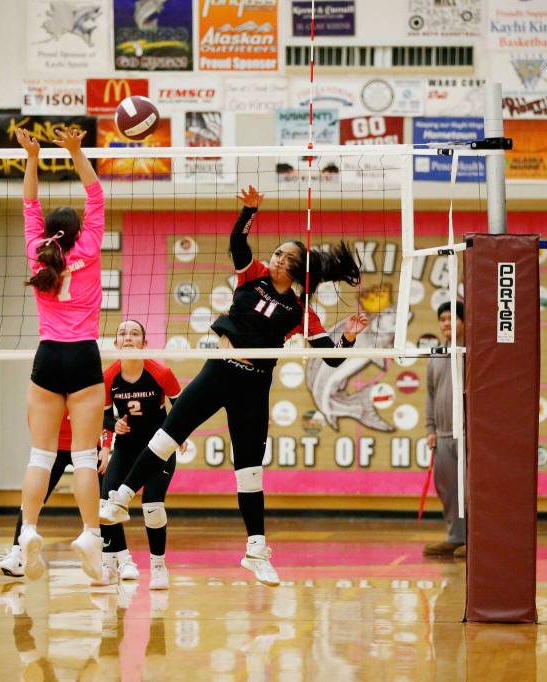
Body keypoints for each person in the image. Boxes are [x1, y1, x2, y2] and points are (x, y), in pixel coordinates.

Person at [101, 185, 368, 586]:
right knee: (168, 434)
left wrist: (347, 336)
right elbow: (236, 242)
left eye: (285, 256)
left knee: (249, 471)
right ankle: (121, 498)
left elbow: (329, 357)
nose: (276, 258)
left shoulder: (300, 312)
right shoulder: (254, 274)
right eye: (276, 252)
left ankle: (256, 550)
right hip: (220, 369)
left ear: (296, 270)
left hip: (254, 386)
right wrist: (248, 210)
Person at [16, 124, 106, 581]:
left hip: (48, 356)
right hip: (84, 357)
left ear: (50, 234)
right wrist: (74, 149)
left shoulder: (37, 251)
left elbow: (29, 203)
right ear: (77, 233)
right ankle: (91, 535)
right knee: (85, 458)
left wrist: (33, 158)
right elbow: (96, 194)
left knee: (40, 457)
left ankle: (28, 530)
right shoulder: (89, 245)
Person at [93, 319, 182, 589]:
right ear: (116, 343)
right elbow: (105, 415)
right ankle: (110, 565)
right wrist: (111, 431)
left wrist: (181, 435)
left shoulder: (160, 372)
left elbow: (181, 407)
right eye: (122, 333)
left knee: (152, 507)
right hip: (128, 447)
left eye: (134, 334)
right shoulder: (109, 376)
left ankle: (158, 567)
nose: (127, 337)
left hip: (159, 447)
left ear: (144, 343)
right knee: (106, 504)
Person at [0, 412, 108, 579]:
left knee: (105, 506)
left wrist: (106, 446)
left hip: (86, 445)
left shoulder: (92, 388)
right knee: (31, 503)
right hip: (54, 447)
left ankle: (113, 559)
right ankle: (17, 555)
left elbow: (105, 411)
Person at [423, 301, 467, 559]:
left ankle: (476, 540)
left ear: (464, 321)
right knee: (448, 490)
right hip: (442, 435)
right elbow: (430, 394)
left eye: (452, 318)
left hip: (468, 435)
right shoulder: (436, 355)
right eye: (442, 319)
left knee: (470, 491)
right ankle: (455, 538)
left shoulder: (472, 351)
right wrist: (430, 428)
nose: (447, 323)